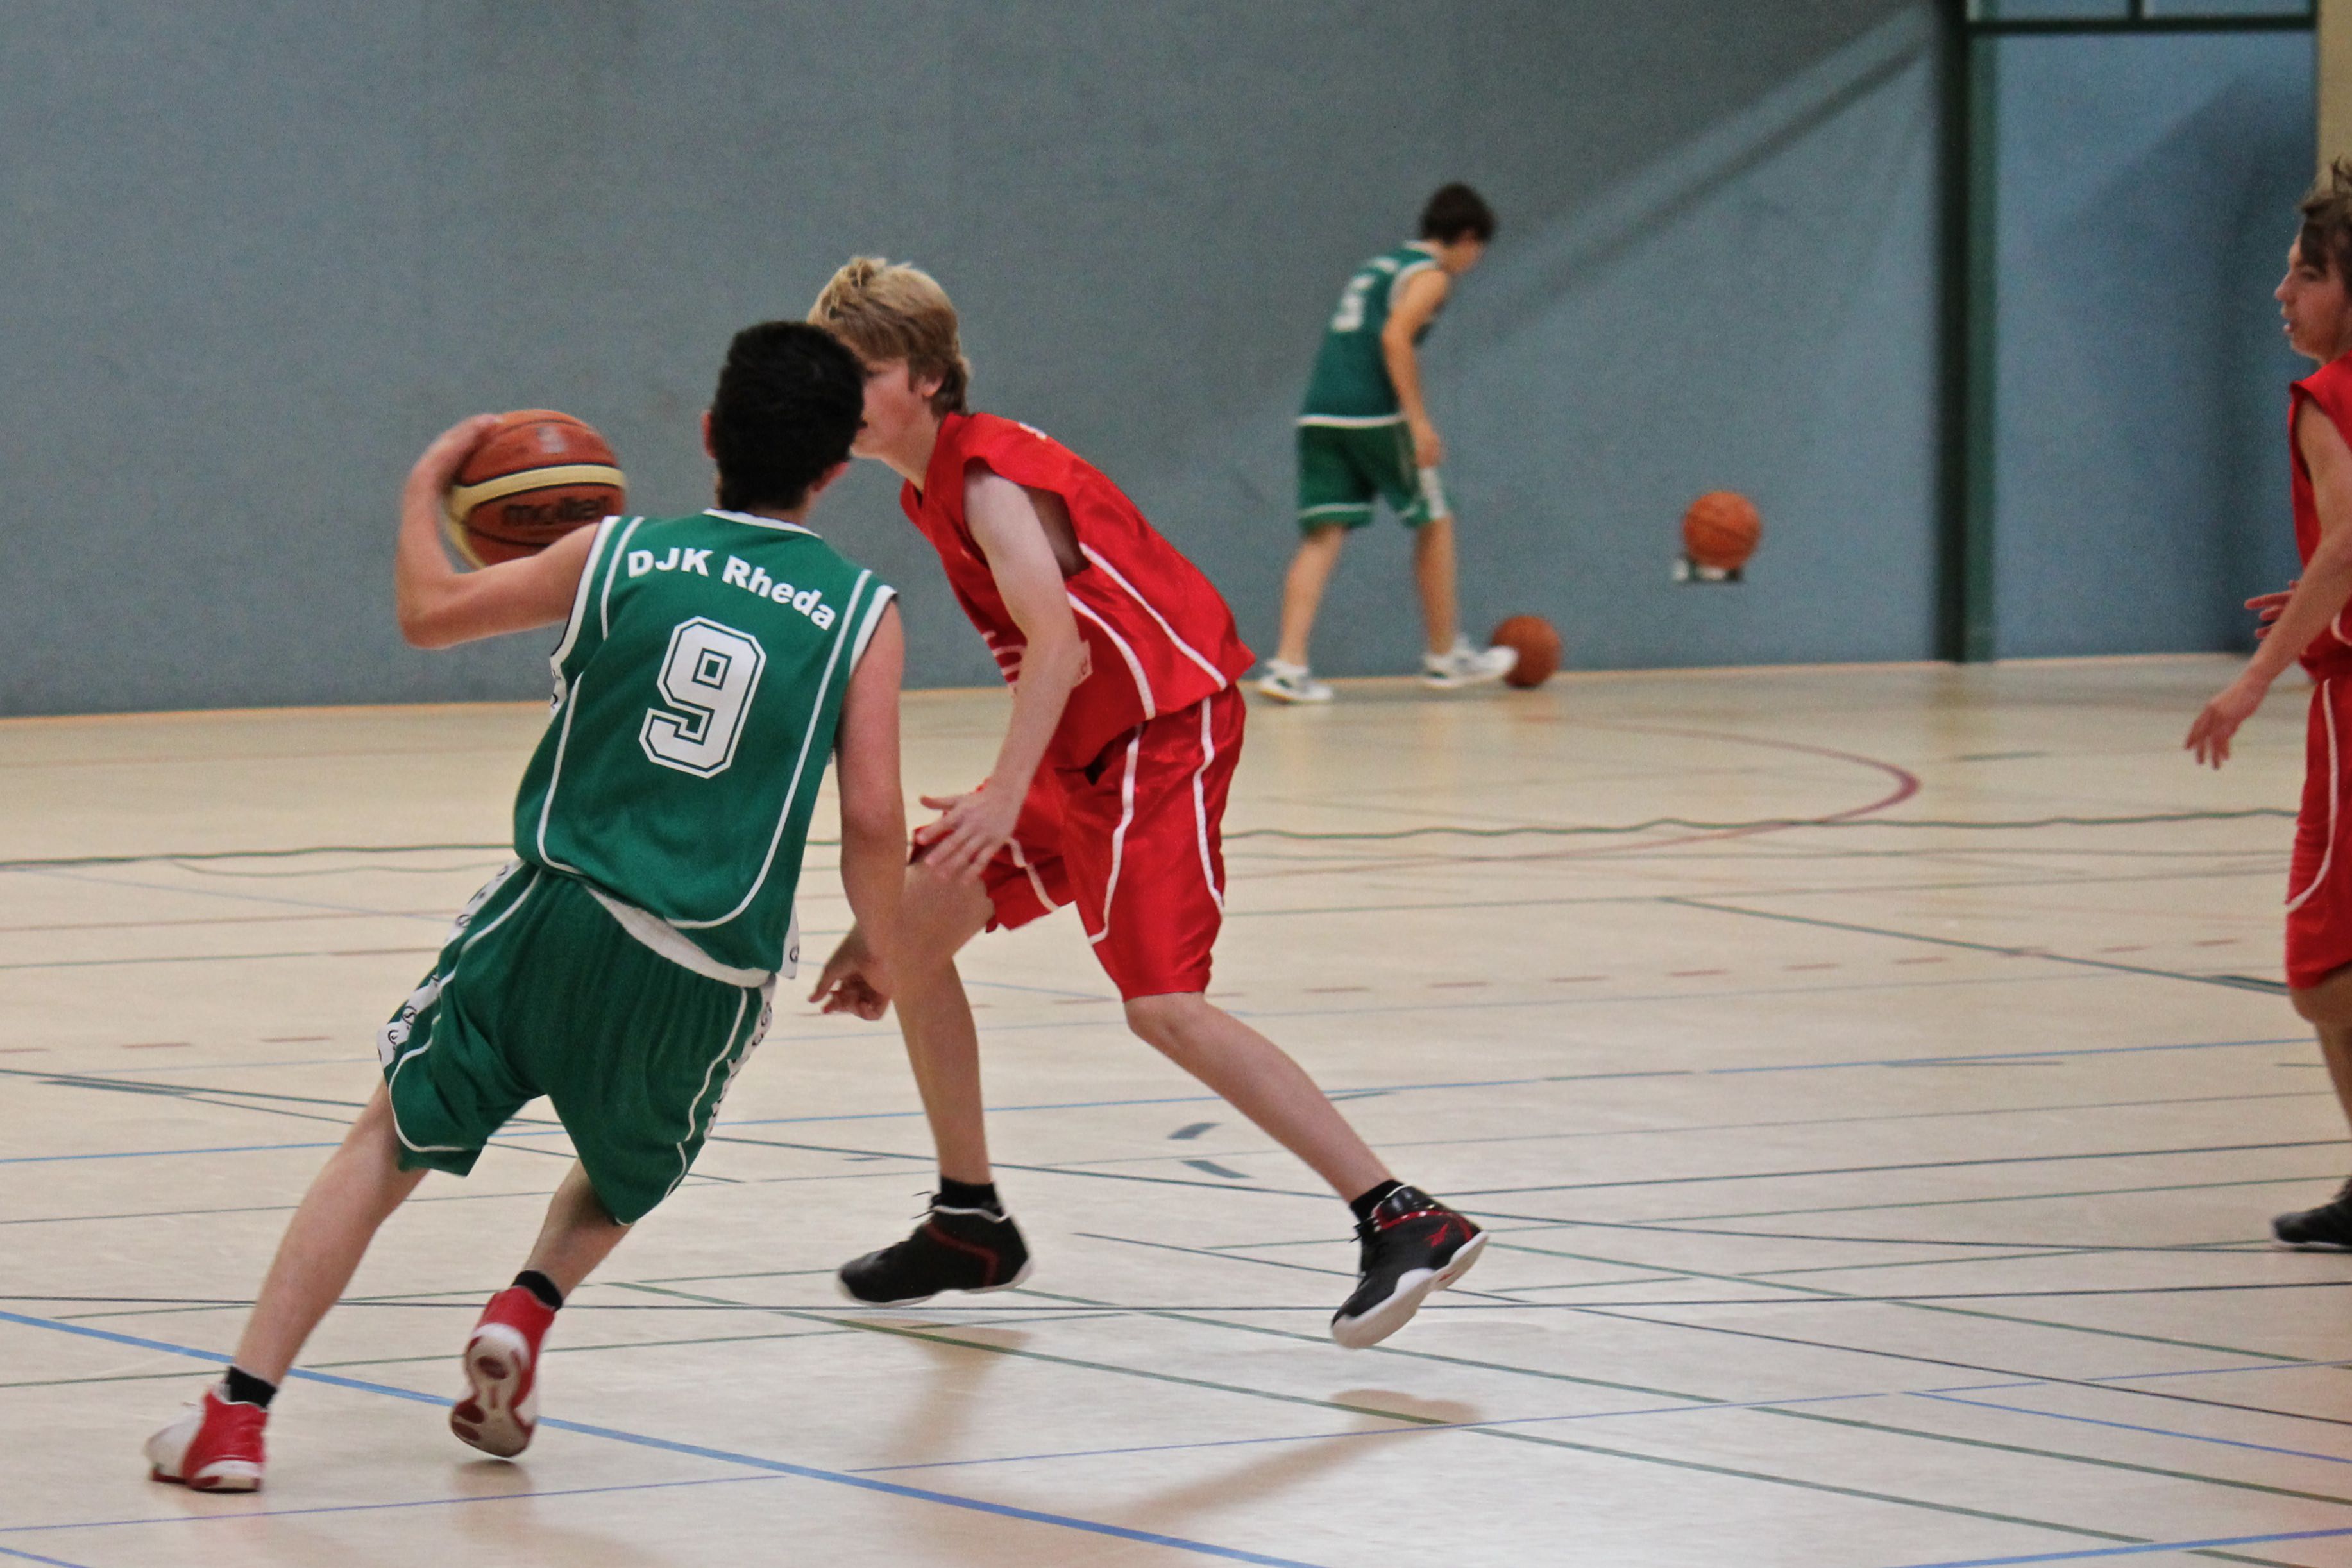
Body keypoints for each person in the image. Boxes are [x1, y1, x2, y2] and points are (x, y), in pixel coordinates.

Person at [142, 322, 906, 1491]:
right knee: (625, 1175)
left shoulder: (614, 552)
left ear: (708, 433)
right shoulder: (861, 613)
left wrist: (421, 490)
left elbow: (427, 611)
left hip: (552, 915)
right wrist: (879, 947)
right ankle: (526, 1308)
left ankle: (235, 1420)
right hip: (707, 969)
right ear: (838, 467)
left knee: (387, 1140)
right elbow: (873, 819)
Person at [805, 258, 1485, 1349]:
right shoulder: (928, 485)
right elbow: (1055, 658)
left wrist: (1005, 791)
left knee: (1162, 1004)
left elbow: (1060, 648)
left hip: (1159, 731)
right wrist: (896, 904)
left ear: (927, 377)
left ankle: (1401, 1215)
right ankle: (970, 1222)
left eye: (864, 373)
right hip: (1084, 745)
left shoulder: (986, 479)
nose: (841, 396)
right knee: (908, 935)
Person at [2188, 158, 2352, 1247]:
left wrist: (2253, 679)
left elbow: (2347, 542)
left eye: (2304, 275)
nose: (2281, 294)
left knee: (2320, 971)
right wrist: (2316, 603)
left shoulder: (2326, 397)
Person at [1256, 183, 1517, 703]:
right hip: (1371, 411)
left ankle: (1287, 664)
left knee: (1322, 535)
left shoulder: (1379, 266)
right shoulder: (1430, 275)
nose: (1475, 261)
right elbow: (1394, 338)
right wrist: (1418, 421)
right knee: (1434, 518)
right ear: (1467, 237)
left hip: (1320, 410)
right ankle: (1444, 657)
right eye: (1478, 249)